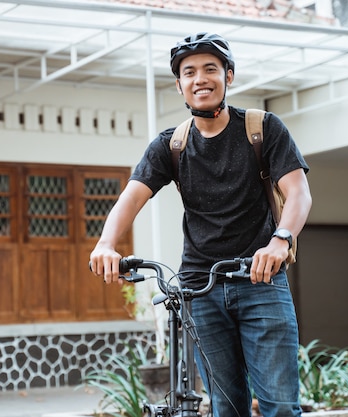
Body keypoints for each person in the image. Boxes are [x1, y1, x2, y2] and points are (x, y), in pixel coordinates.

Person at [89, 32, 312, 417]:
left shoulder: (262, 129)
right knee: (226, 408)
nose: (200, 79)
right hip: (200, 287)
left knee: (280, 407)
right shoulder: (170, 145)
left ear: (229, 76)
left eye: (211, 68)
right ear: (179, 86)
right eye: (188, 72)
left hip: (260, 281)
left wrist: (280, 240)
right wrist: (106, 243)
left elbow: (299, 194)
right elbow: (132, 196)